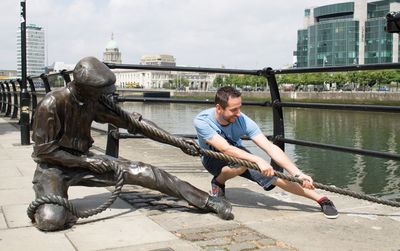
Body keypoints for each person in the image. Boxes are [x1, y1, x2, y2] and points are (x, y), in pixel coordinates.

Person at [31, 57, 233, 231]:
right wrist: (85, 163)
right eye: (101, 91)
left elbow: (135, 124)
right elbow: (44, 153)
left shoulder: (93, 102)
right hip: (54, 168)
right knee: (51, 220)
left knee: (145, 171)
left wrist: (177, 141)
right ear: (86, 89)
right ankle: (57, 202)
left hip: (86, 161)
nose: (107, 95)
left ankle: (207, 200)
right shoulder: (52, 104)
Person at [193, 86, 338, 219]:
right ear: (219, 108)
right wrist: (258, 160)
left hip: (239, 156)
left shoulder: (242, 120)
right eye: (233, 110)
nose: (238, 113)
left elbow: (269, 147)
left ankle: (321, 199)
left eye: (239, 108)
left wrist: (297, 173)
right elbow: (225, 148)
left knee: (272, 175)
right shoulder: (202, 121)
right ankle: (218, 182)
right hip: (212, 158)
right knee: (244, 164)